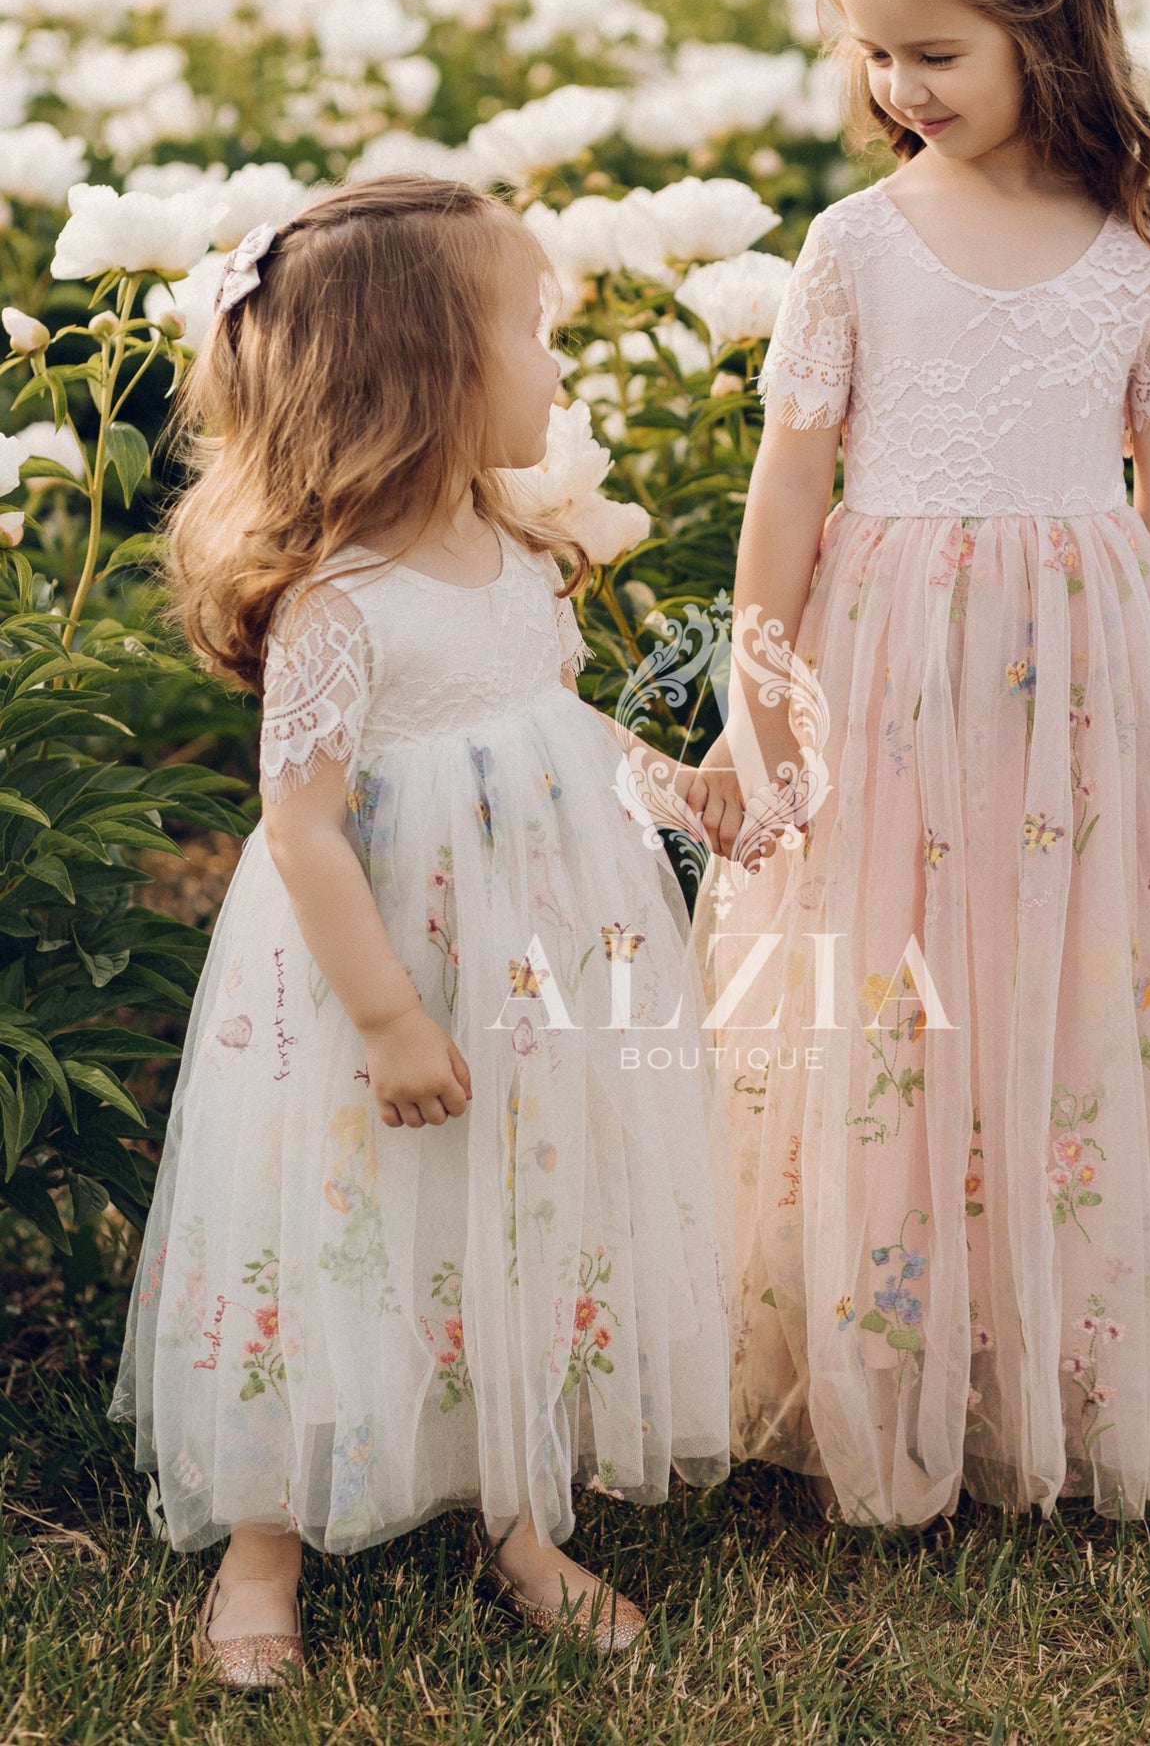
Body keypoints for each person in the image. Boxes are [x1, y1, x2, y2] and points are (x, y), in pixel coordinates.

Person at [690, 0, 1150, 1532]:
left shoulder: (1135, 256)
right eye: (872, 56)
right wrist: (760, 705)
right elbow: (789, 491)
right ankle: (882, 1349)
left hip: (1081, 670)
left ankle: (1057, 1354)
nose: (897, 89)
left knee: (1068, 989)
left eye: (931, 51)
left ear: (1043, 11)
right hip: (884, 667)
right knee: (889, 994)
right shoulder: (854, 246)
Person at [110, 175, 733, 1685]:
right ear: (424, 373)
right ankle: (263, 1544)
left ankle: (515, 1511)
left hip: (525, 961)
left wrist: (672, 781)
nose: (556, 366)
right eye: (528, 333)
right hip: (368, 976)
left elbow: (555, 719)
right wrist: (389, 1016)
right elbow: (302, 823)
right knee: (331, 1227)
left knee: (513, 1208)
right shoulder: (346, 601)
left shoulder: (511, 552)